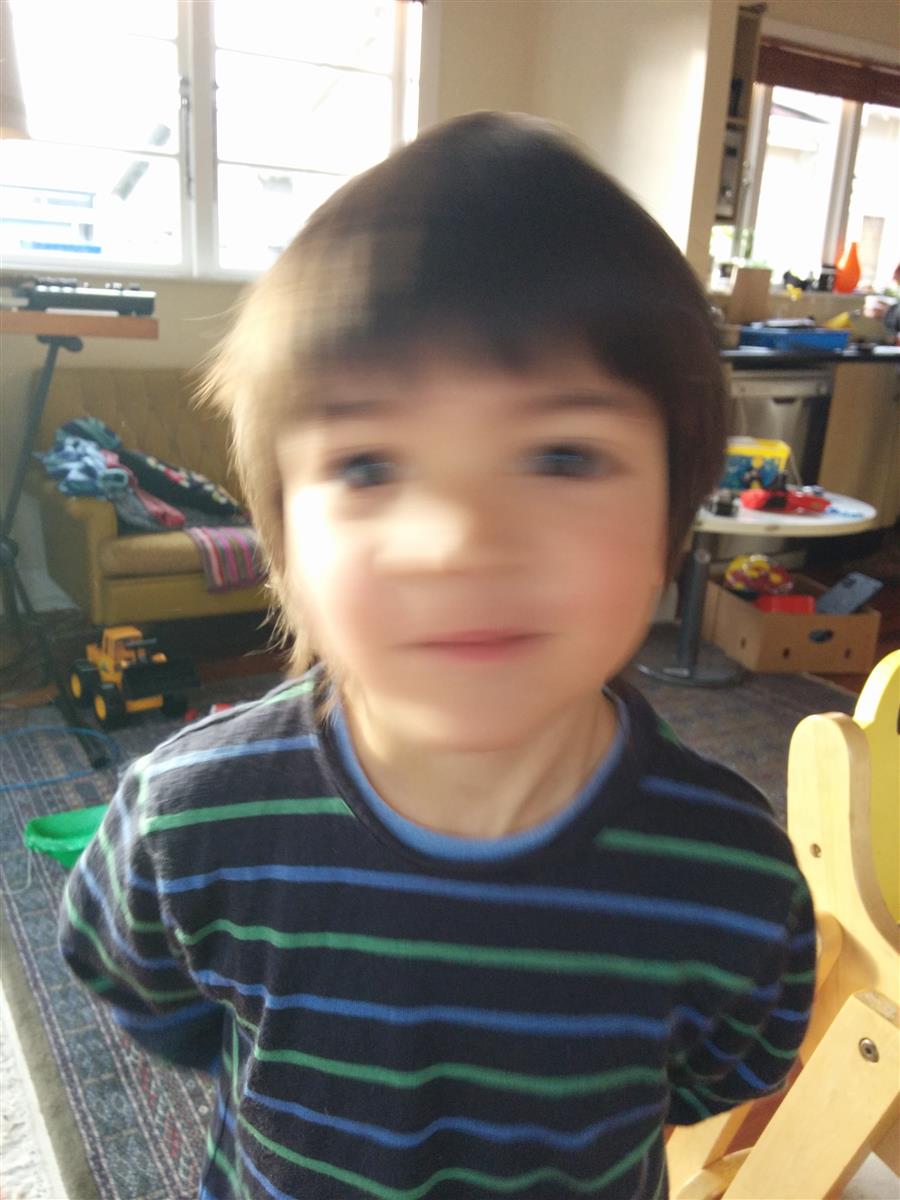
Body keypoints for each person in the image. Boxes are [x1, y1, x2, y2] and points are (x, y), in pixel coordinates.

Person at [59, 113, 816, 1200]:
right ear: (283, 539)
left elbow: (721, 1072)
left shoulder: (734, 874)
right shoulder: (187, 819)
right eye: (369, 465)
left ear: (672, 521)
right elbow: (150, 995)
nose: (460, 542)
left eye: (563, 456)